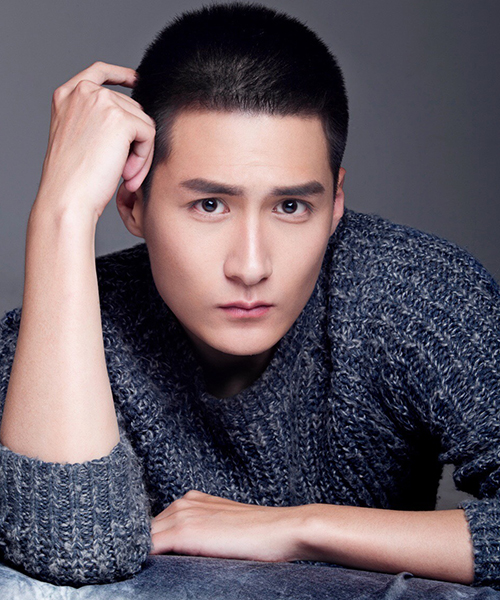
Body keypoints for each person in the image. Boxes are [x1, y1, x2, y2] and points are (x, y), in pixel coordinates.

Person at [0, 2, 499, 596]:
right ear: (131, 204)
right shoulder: (62, 327)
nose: (252, 266)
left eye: (291, 206)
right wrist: (61, 213)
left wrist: (298, 528)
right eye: (210, 205)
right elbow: (67, 556)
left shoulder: (413, 292)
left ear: (335, 204)